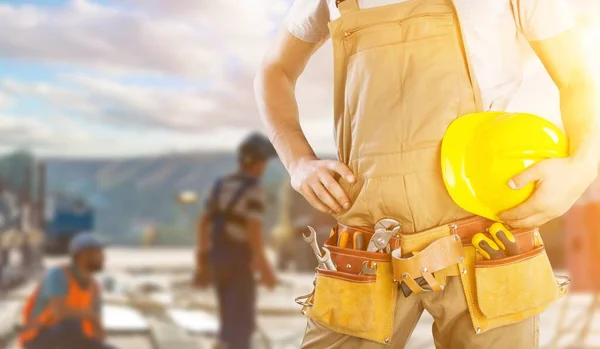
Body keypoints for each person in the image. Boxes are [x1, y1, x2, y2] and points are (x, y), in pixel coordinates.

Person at [254, 0, 599, 348]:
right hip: (369, 248)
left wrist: (581, 168)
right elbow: (275, 69)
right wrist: (298, 161)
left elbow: (579, 79)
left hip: (485, 243)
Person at [195, 132, 279, 349]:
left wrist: (202, 263)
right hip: (238, 261)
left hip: (217, 258)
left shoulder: (220, 185)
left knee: (227, 320)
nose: (264, 168)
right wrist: (265, 268)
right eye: (263, 163)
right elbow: (253, 231)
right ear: (254, 162)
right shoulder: (254, 190)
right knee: (241, 324)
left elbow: (204, 224)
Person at [19, 233, 114, 349]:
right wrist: (89, 314)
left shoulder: (94, 287)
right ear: (83, 255)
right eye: (98, 253)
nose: (104, 257)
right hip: (37, 339)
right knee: (72, 326)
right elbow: (59, 311)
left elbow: (98, 330)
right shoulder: (58, 275)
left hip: (72, 337)